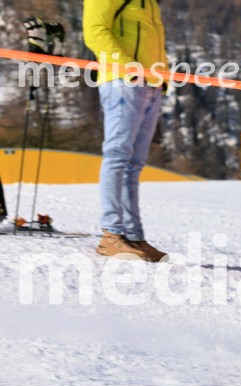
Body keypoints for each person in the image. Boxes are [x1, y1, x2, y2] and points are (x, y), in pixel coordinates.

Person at [83, 0, 167, 262]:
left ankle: (132, 236)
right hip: (122, 81)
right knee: (118, 157)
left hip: (149, 84)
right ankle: (112, 234)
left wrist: (160, 79)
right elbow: (94, 30)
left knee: (134, 164)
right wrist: (127, 67)